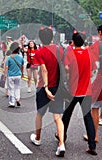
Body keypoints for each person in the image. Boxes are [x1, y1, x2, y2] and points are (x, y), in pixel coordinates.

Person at [30, 27, 65, 157]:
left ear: (40, 38)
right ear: (52, 37)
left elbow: (44, 70)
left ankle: (38, 138)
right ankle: (61, 144)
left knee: (39, 114)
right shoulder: (59, 50)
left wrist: (46, 87)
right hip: (57, 87)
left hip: (43, 87)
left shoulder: (40, 52)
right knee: (57, 117)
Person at [60, 32, 97, 155]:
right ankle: (92, 145)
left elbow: (66, 69)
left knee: (66, 116)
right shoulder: (89, 53)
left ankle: (62, 139)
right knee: (88, 117)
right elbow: (92, 72)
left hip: (72, 90)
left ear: (73, 42)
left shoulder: (70, 53)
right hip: (86, 91)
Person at [3, 42, 24, 107]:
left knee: (11, 89)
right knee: (17, 88)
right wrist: (22, 73)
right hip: (18, 75)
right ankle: (17, 99)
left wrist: (4, 75)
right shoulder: (20, 57)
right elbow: (22, 66)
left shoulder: (9, 58)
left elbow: (6, 67)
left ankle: (12, 103)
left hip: (10, 76)